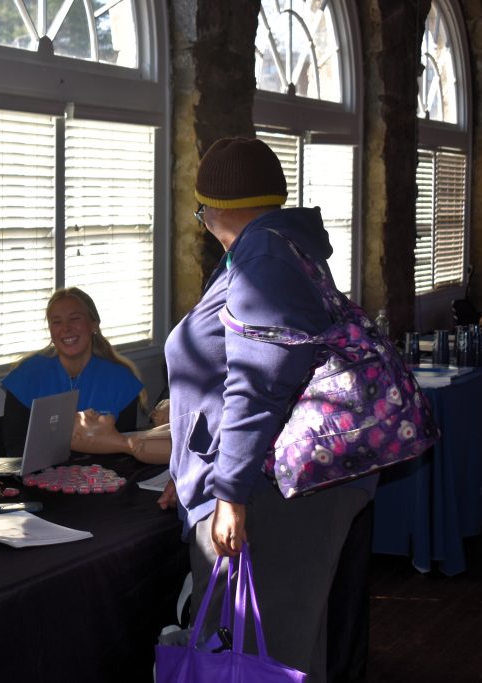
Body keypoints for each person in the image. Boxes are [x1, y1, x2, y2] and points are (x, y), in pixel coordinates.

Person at [164, 137, 375, 683]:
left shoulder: (264, 258)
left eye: (201, 208)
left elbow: (257, 385)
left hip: (265, 491)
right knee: (284, 651)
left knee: (259, 656)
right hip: (272, 484)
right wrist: (188, 465)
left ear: (216, 210)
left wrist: (228, 492)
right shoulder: (280, 247)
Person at [0, 287, 153, 459]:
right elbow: (15, 448)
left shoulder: (121, 380)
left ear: (93, 324)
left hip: (103, 479)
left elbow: (124, 452)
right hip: (40, 479)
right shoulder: (26, 376)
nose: (66, 328)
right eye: (56, 322)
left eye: (75, 319)